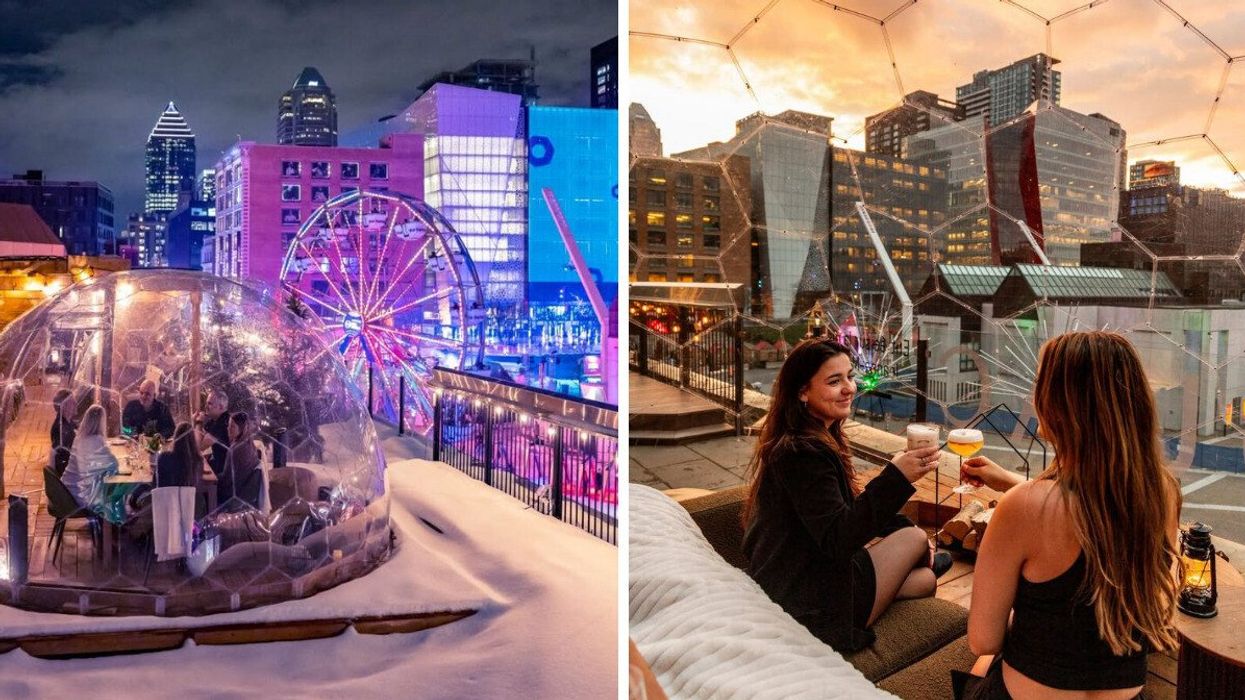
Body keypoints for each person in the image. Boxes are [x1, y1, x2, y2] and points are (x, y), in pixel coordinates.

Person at [954, 331, 1181, 700]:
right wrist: (1012, 483)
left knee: (981, 665)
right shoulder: (1162, 495)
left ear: (1062, 403)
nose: (1034, 396)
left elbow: (983, 639)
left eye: (1041, 382)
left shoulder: (1022, 507)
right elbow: (1092, 513)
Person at [741, 337, 945, 652]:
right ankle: (920, 558)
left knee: (925, 580)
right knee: (915, 539)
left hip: (805, 572)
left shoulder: (809, 438)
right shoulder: (802, 452)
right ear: (802, 392)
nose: (849, 387)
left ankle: (921, 564)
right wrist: (898, 475)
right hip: (806, 599)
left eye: (849, 376)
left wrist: (897, 520)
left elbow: (843, 508)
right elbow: (839, 538)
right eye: (835, 381)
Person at [62, 404, 119, 518]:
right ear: (101, 422)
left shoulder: (79, 438)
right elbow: (114, 465)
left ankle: (112, 525)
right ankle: (115, 526)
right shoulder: (96, 440)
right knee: (116, 490)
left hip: (65, 491)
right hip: (79, 496)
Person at [219, 411, 262, 509]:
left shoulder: (235, 449)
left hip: (232, 495)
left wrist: (213, 479)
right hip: (244, 494)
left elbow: (226, 479)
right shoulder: (251, 445)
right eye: (229, 426)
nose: (228, 429)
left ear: (241, 429)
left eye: (232, 427)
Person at [194, 389, 231, 477]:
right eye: (207, 403)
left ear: (221, 407)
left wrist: (198, 422)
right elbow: (197, 439)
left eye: (210, 403)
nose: (206, 406)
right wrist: (195, 422)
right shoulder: (215, 420)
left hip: (225, 473)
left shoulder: (223, 422)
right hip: (218, 464)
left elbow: (199, 447)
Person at [156, 422, 203, 488]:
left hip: (165, 497)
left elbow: (157, 484)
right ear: (193, 439)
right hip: (188, 497)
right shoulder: (198, 460)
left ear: (175, 437)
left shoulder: (164, 457)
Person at [50, 388, 77, 477]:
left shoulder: (68, 422)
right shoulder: (62, 429)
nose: (76, 404)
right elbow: (63, 461)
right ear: (64, 406)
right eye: (72, 402)